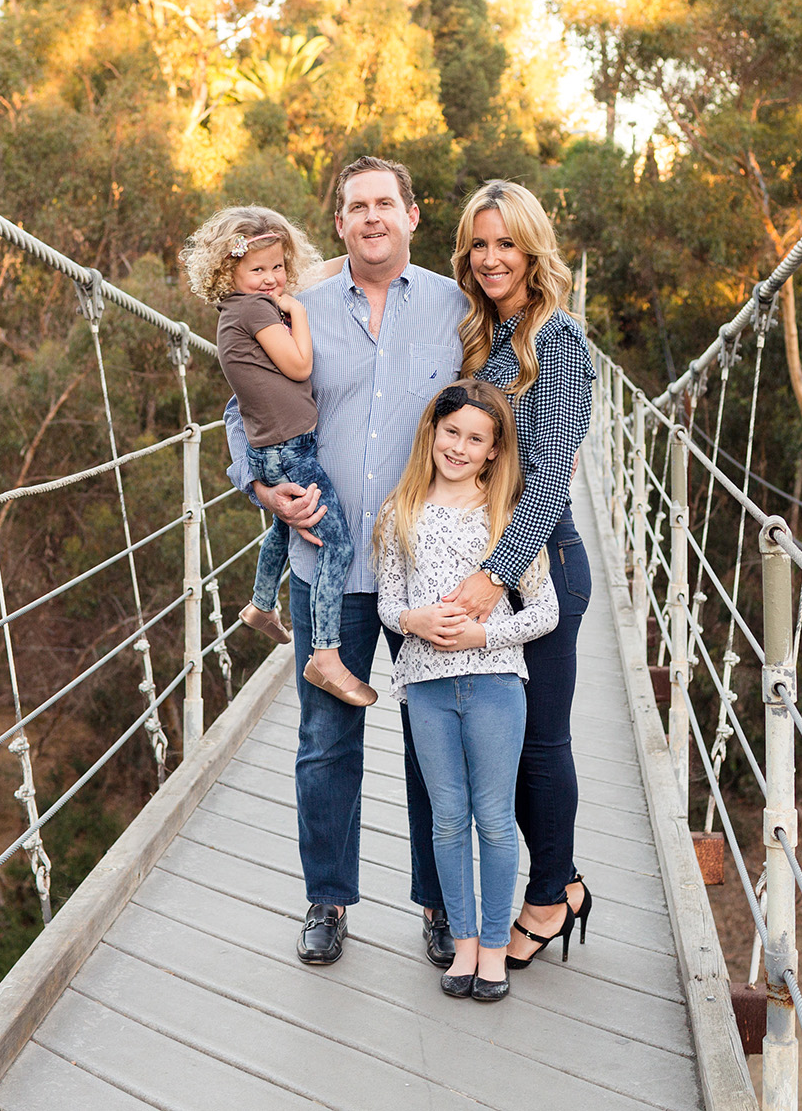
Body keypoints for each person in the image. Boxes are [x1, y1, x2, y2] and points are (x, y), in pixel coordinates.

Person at [223, 155, 468, 966]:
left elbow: (500, 405)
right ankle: (326, 901)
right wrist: (262, 489)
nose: (371, 218)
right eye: (356, 206)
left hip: (422, 570)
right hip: (322, 559)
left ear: (411, 214)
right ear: (338, 223)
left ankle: (439, 904)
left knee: (433, 741)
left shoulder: (453, 306)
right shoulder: (292, 306)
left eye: (385, 204)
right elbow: (240, 408)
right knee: (326, 742)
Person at [412, 179, 597, 969]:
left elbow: (550, 472)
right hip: (483, 558)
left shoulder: (557, 340)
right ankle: (558, 880)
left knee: (538, 746)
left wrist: (495, 573)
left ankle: (550, 898)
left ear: (531, 249)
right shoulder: (480, 333)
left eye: (506, 243)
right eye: (478, 244)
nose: (491, 258)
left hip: (539, 563)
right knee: (502, 744)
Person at [375, 380, 558, 1003]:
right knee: (448, 820)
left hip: (496, 684)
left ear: (493, 449)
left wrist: (485, 634)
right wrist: (413, 623)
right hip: (425, 685)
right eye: (450, 432)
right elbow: (389, 601)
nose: (458, 446)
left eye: (475, 438)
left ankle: (497, 952)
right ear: (432, 432)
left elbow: (545, 611)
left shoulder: (509, 520)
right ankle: (465, 942)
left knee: (495, 820)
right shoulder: (399, 510)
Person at [184, 206, 374, 705]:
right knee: (337, 546)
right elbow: (299, 364)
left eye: (278, 268)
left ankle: (261, 605)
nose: (272, 280)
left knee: (281, 526)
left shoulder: (238, 307)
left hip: (276, 448)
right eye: (258, 270)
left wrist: (348, 260)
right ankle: (327, 656)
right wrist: (300, 313)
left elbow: (304, 275)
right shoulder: (258, 310)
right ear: (230, 273)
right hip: (291, 451)